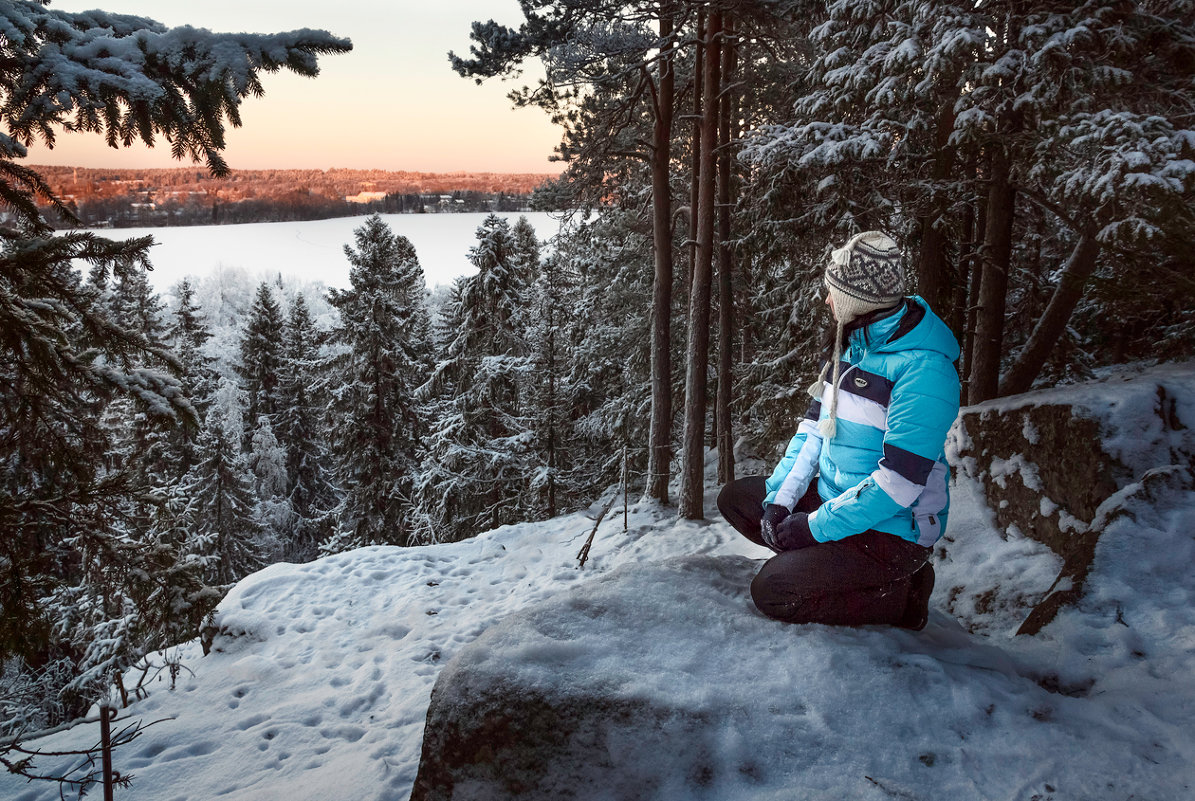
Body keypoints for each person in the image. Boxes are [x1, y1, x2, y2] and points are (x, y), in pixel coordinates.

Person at [718, 231, 960, 630]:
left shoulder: (924, 371)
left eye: (833, 292)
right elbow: (813, 431)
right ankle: (825, 567)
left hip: (893, 531)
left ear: (855, 302)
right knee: (738, 499)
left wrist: (812, 529)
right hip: (839, 499)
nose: (826, 300)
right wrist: (781, 501)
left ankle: (901, 599)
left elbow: (897, 485)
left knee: (773, 593)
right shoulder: (851, 347)